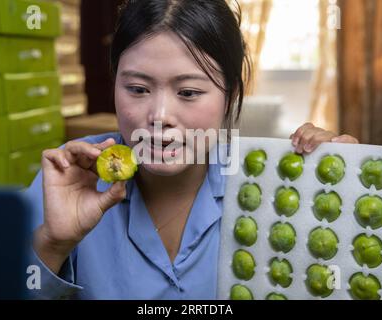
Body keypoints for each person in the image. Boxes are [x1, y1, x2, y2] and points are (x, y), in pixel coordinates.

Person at [26, 0, 358, 299]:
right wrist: (51, 246)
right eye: (138, 89)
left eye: (187, 92)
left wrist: (336, 199)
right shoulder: (66, 180)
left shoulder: (273, 185)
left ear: (229, 96)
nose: (159, 117)